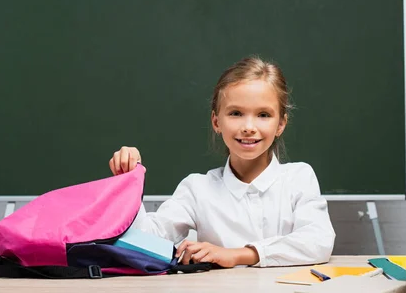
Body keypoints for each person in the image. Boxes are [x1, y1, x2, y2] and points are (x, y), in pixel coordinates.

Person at [108, 56, 335, 268]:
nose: (248, 127)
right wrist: (128, 182)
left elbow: (318, 241)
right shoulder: (197, 189)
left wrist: (236, 255)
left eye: (263, 115)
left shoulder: (298, 178)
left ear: (281, 124)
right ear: (216, 121)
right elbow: (144, 240)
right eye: (236, 113)